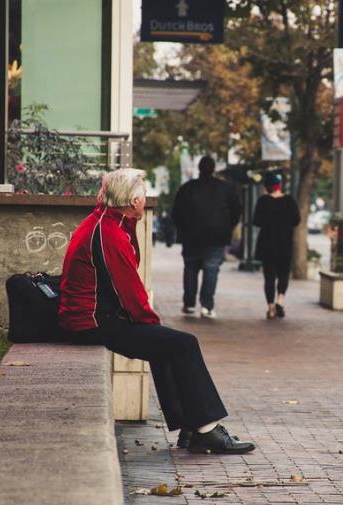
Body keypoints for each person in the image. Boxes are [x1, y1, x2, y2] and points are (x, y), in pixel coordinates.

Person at [58, 168, 254, 454]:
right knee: (183, 343)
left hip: (95, 316)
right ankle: (206, 430)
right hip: (92, 322)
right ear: (132, 200)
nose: (145, 199)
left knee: (166, 344)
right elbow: (128, 288)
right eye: (142, 194)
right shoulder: (109, 232)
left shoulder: (110, 220)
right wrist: (151, 323)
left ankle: (191, 428)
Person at [172, 156, 242, 318]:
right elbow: (236, 211)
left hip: (191, 236)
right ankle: (207, 306)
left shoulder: (187, 188)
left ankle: (189, 304)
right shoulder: (226, 189)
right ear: (213, 169)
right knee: (211, 269)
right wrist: (227, 227)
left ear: (199, 168)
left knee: (190, 268)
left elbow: (176, 213)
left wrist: (184, 228)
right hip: (217, 236)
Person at [253, 172, 301, 319]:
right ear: (280, 186)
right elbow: (296, 220)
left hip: (267, 245)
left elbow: (256, 221)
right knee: (284, 274)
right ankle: (280, 299)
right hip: (284, 244)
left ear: (267, 187)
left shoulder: (263, 201)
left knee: (269, 277)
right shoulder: (289, 201)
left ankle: (271, 307)